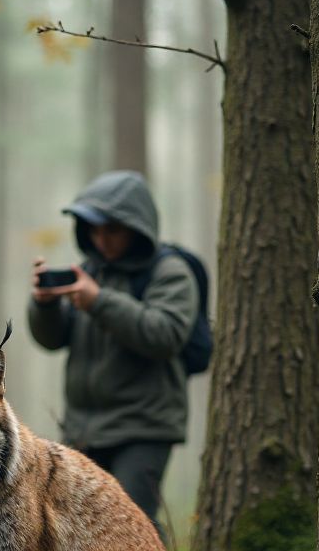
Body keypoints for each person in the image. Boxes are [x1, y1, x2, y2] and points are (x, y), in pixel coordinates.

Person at [28, 170, 198, 528]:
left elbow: (165, 334)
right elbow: (52, 339)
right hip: (84, 429)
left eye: (112, 230)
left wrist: (99, 301)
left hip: (143, 426)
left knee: (133, 526)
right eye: (94, 229)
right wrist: (43, 305)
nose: (102, 239)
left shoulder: (170, 272)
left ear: (137, 228)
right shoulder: (91, 273)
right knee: (78, 526)